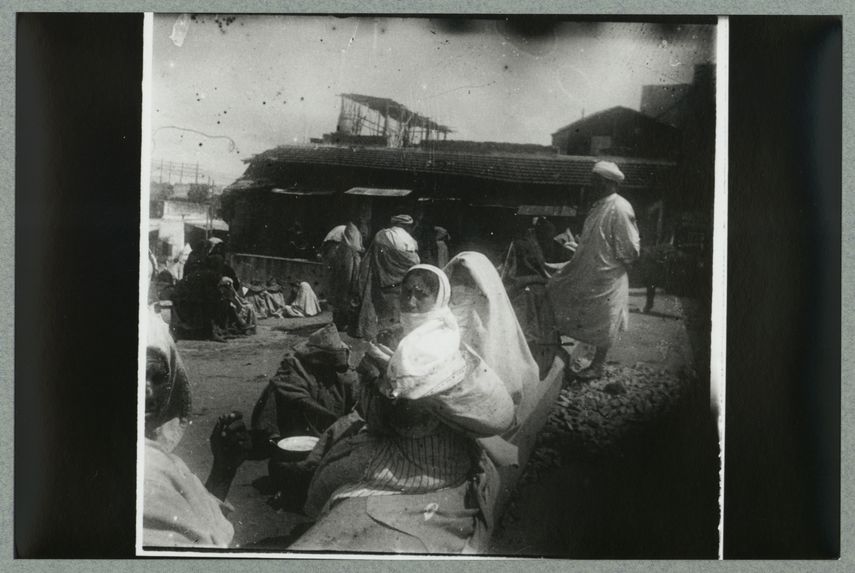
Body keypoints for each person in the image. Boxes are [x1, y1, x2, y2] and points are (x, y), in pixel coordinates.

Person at [302, 265, 514, 518]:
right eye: (406, 293)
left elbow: (404, 421)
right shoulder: (406, 339)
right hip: (413, 444)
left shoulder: (438, 347)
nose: (411, 302)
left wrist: (376, 378)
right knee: (336, 448)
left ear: (439, 300)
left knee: (331, 474)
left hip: (427, 460)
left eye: (421, 295)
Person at [142, 311, 251, 547]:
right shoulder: (147, 472)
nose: (148, 392)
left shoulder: (161, 462)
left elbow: (192, 529)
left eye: (158, 377)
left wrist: (223, 469)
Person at [546, 160, 640, 380]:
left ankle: (598, 365)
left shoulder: (620, 207)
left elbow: (630, 247)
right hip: (588, 270)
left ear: (607, 183)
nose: (590, 185)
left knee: (606, 318)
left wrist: (611, 262)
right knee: (557, 291)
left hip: (607, 275)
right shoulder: (600, 205)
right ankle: (556, 345)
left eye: (595, 181)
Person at [353, 214, 420, 340]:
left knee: (384, 313)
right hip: (405, 280)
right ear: (406, 226)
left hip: (384, 279)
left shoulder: (381, 235)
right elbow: (414, 260)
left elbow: (372, 259)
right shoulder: (411, 240)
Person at [325, 221, 364, 330]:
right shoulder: (347, 252)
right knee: (344, 300)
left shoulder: (346, 251)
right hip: (345, 281)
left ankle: (342, 322)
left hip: (344, 280)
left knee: (343, 300)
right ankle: (341, 322)